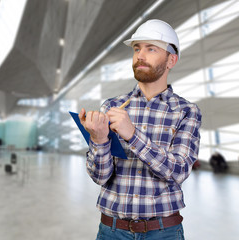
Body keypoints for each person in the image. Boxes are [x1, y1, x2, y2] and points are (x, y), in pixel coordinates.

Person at [79, 19, 201, 239]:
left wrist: (132, 135)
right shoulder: (111, 107)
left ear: (171, 60)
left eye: (151, 49)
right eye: (137, 49)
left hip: (164, 232)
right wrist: (99, 139)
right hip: (112, 231)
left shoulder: (186, 111)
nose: (140, 56)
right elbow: (100, 176)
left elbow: (179, 171)